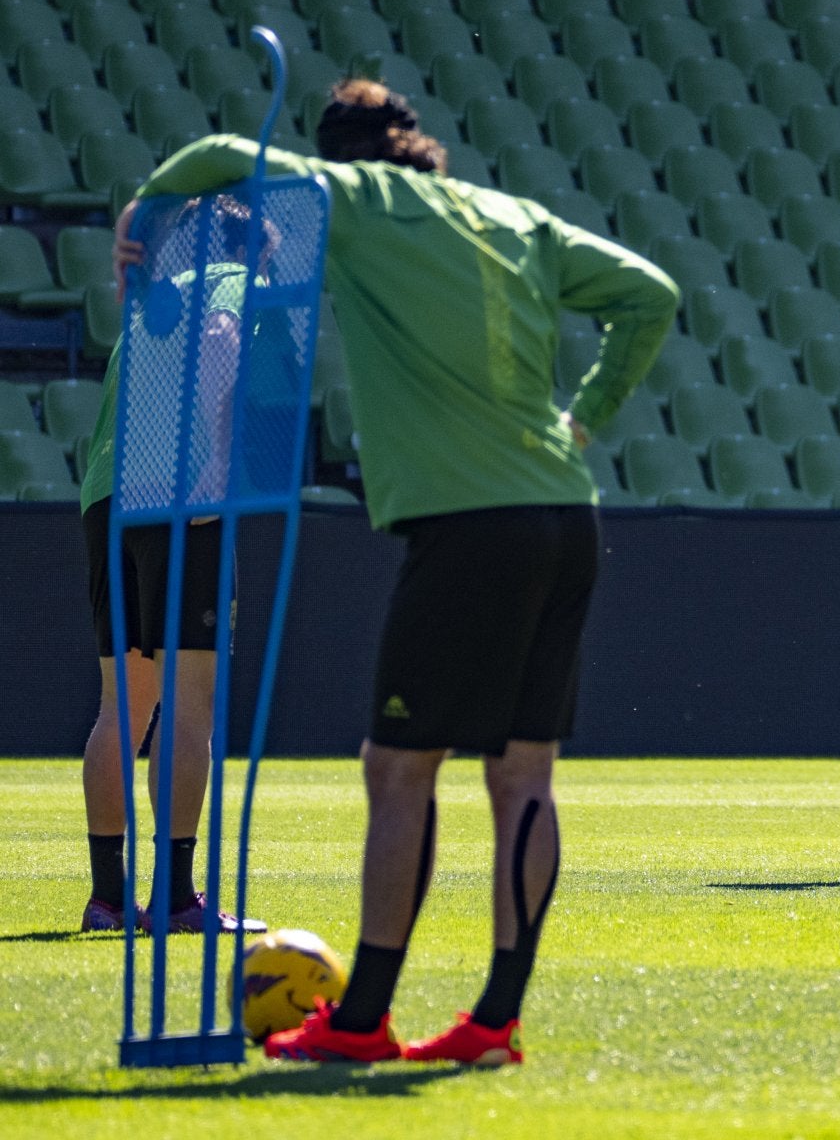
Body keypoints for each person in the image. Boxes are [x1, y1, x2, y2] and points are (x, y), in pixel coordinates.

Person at [122, 79, 679, 1064]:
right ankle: (494, 1020)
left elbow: (214, 150)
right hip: (563, 514)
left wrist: (144, 210)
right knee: (523, 776)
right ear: (419, 144)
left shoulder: (354, 197)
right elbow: (651, 294)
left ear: (339, 157)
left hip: (469, 526)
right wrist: (584, 417)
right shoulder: (513, 212)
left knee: (400, 767)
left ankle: (361, 1016)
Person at [77, 196, 267, 937]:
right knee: (189, 706)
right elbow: (220, 345)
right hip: (182, 501)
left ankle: (108, 900)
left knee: (121, 708)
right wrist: (213, 472)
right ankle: (181, 901)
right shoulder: (227, 279)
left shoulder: (153, 292)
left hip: (108, 497)